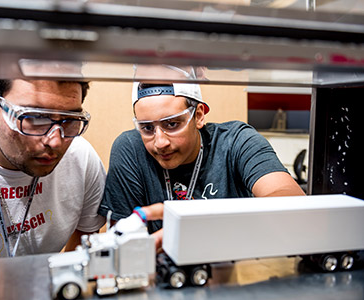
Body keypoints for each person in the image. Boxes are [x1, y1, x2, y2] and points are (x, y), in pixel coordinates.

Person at [99, 72, 306, 250]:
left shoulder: (236, 141)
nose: (159, 142)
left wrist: (196, 225)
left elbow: (293, 205)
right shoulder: (130, 149)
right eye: (147, 128)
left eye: (171, 124)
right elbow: (123, 240)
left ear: (198, 115)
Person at [0, 79, 106, 257]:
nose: (55, 142)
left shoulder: (81, 158)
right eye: (35, 118)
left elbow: (84, 238)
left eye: (70, 120)